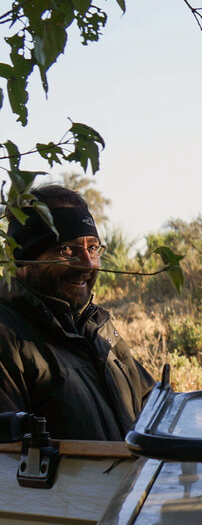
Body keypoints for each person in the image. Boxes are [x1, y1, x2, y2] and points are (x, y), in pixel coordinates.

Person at [0, 185, 154, 440]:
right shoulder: (7, 337)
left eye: (93, 248)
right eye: (66, 250)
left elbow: (153, 407)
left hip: (129, 481)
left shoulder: (96, 327)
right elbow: (10, 461)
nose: (88, 264)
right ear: (26, 258)